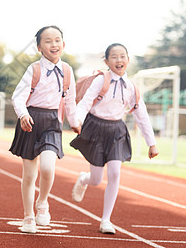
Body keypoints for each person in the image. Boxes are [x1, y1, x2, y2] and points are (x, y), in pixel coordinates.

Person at [70, 43, 159, 235]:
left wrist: (151, 143)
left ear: (128, 59)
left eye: (122, 56)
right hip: (95, 128)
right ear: (106, 61)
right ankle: (84, 180)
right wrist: (77, 120)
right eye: (114, 57)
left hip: (117, 130)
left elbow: (141, 115)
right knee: (96, 179)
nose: (119, 60)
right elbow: (85, 103)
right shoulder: (101, 80)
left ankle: (105, 220)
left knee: (115, 173)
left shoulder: (131, 87)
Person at [10, 26, 79, 233]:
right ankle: (28, 216)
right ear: (39, 47)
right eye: (48, 41)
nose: (54, 44)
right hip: (30, 120)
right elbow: (18, 97)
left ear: (63, 44)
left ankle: (42, 202)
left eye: (57, 40)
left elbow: (70, 100)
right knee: (30, 175)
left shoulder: (67, 71)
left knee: (48, 168)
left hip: (52, 122)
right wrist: (23, 115)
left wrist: (74, 122)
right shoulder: (34, 69)